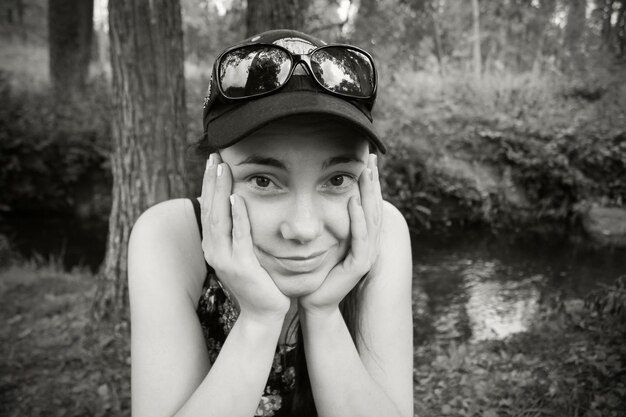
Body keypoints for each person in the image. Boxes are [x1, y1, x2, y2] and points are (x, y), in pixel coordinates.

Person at [128, 29, 413, 417]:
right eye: (263, 180)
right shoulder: (169, 237)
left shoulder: (383, 232)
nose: (304, 228)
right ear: (216, 175)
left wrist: (324, 313)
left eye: (337, 179)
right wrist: (259, 321)